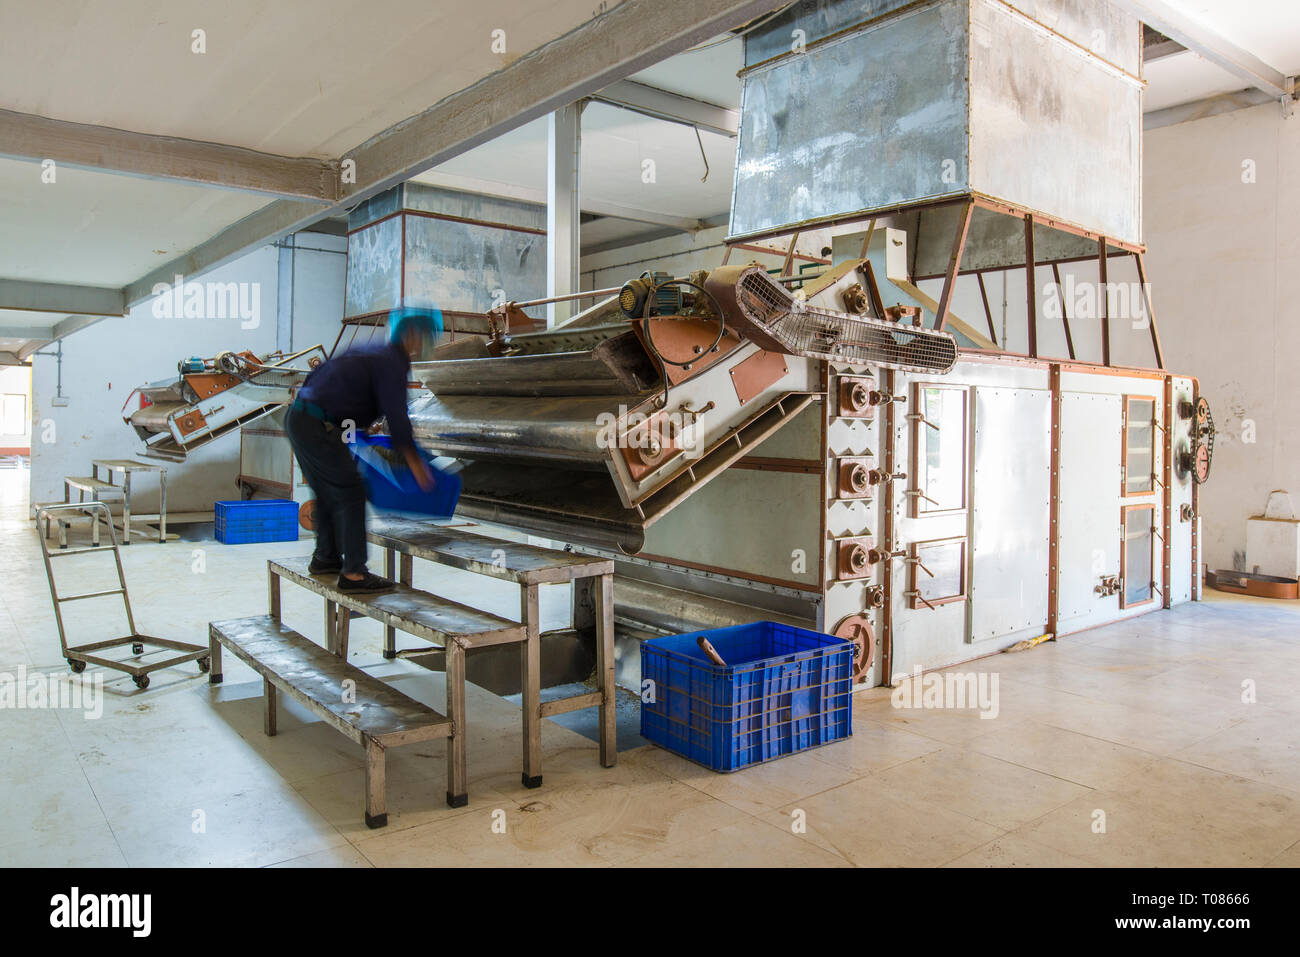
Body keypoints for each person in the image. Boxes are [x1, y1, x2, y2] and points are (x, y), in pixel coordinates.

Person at [285, 307, 440, 592]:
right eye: (427, 337)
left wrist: (357, 423)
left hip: (300, 419)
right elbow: (397, 415)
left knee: (328, 493)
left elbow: (322, 380)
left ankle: (326, 558)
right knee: (352, 492)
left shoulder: (373, 351)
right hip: (319, 427)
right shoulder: (393, 362)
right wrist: (417, 466)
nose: (426, 344)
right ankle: (354, 574)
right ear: (413, 334)